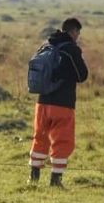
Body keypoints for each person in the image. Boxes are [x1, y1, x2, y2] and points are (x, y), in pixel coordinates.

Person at [28, 18, 88, 187]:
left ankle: (34, 177)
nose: (78, 36)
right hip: (63, 104)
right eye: (78, 33)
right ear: (73, 31)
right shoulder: (71, 49)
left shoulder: (46, 45)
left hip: (42, 102)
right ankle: (56, 180)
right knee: (63, 140)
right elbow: (82, 75)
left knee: (40, 138)